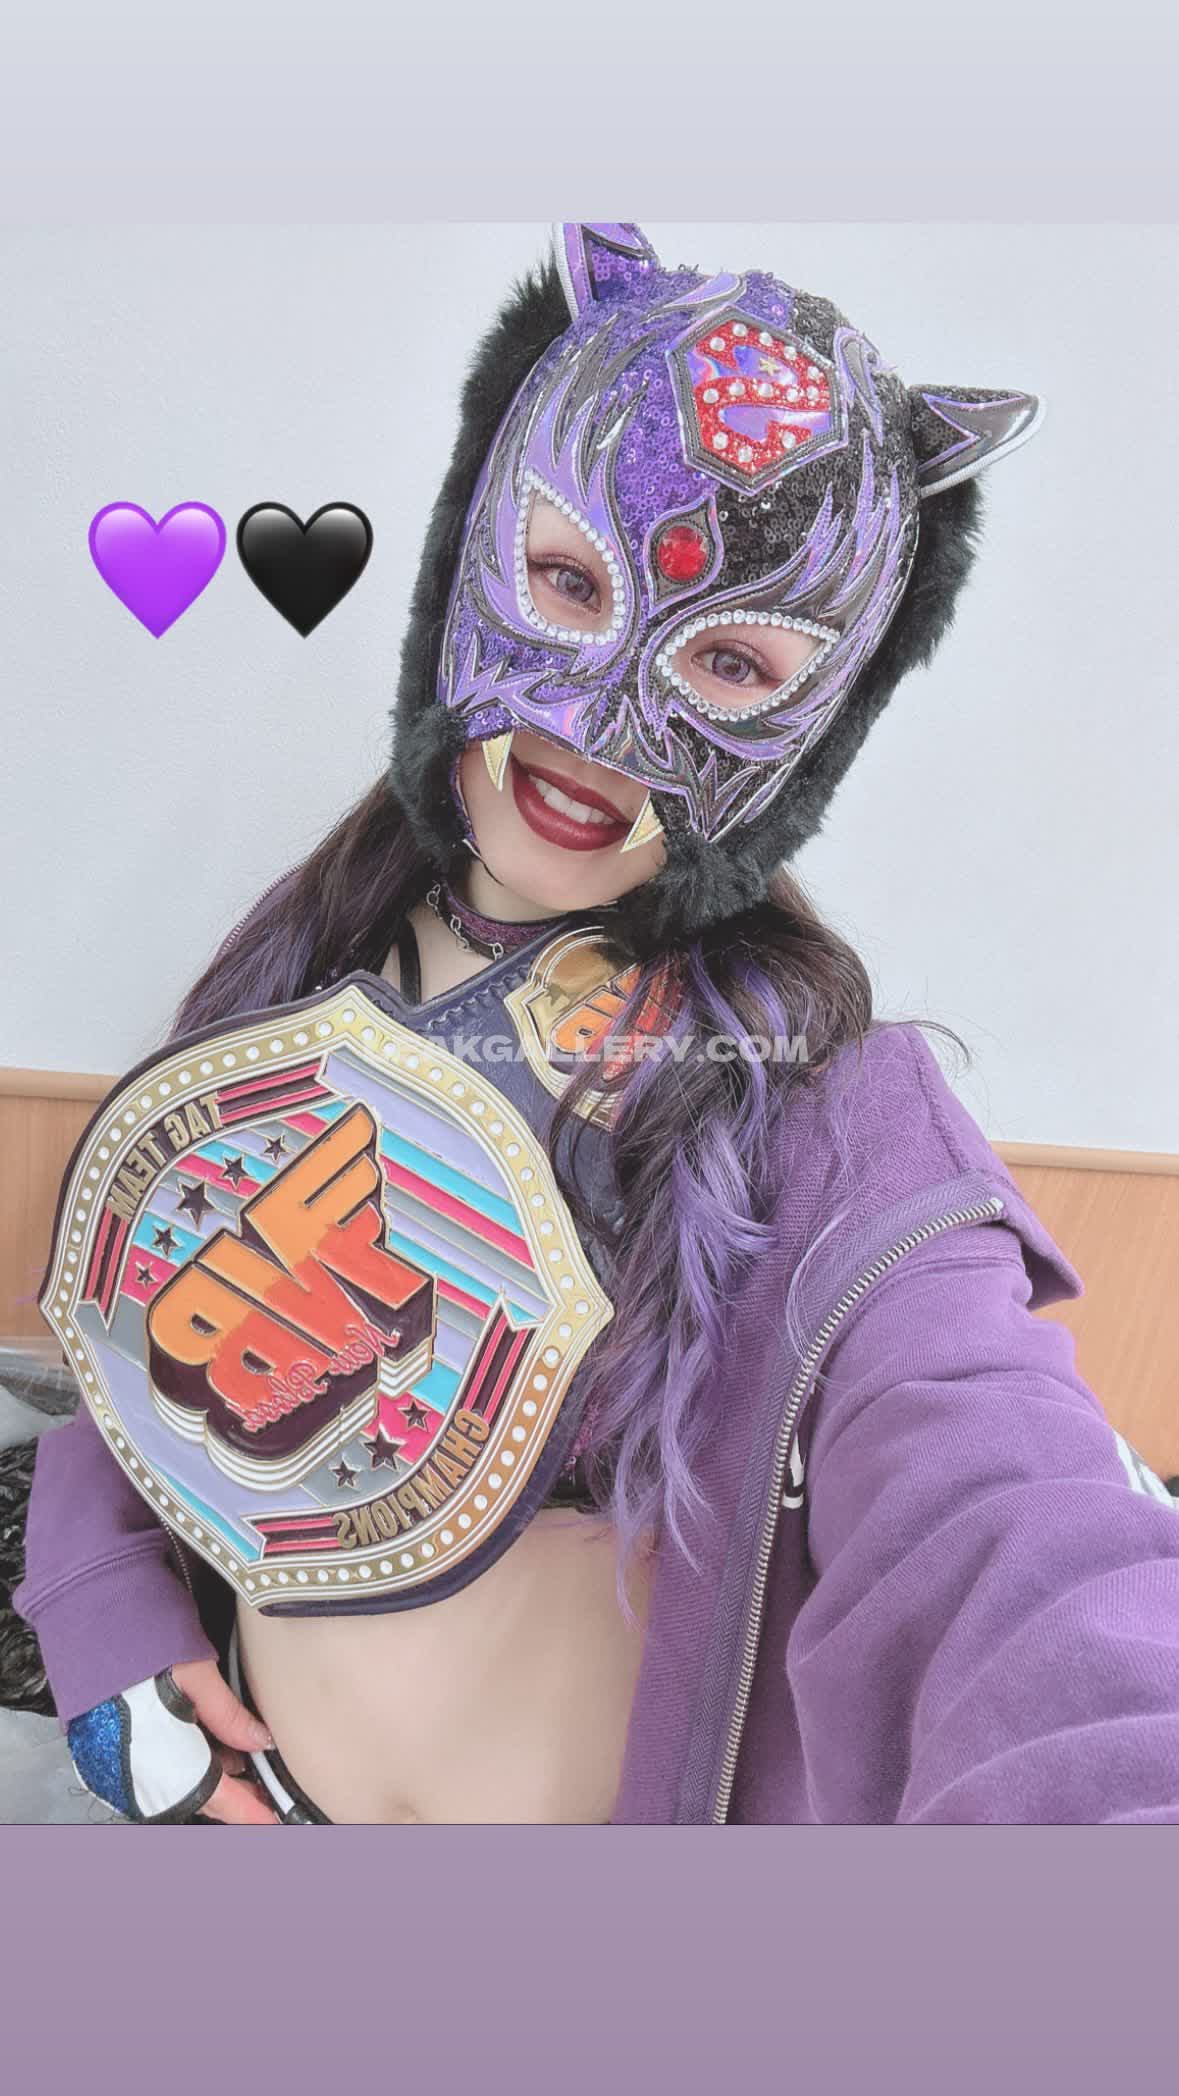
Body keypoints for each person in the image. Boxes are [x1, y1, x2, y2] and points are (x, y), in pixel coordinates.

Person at [12, 223, 1179, 1826]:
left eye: (731, 661)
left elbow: (1004, 1514)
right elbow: (146, 1308)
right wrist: (103, 1616)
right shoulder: (303, 959)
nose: (601, 730)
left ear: (819, 720)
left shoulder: (825, 1102)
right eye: (569, 583)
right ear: (474, 554)